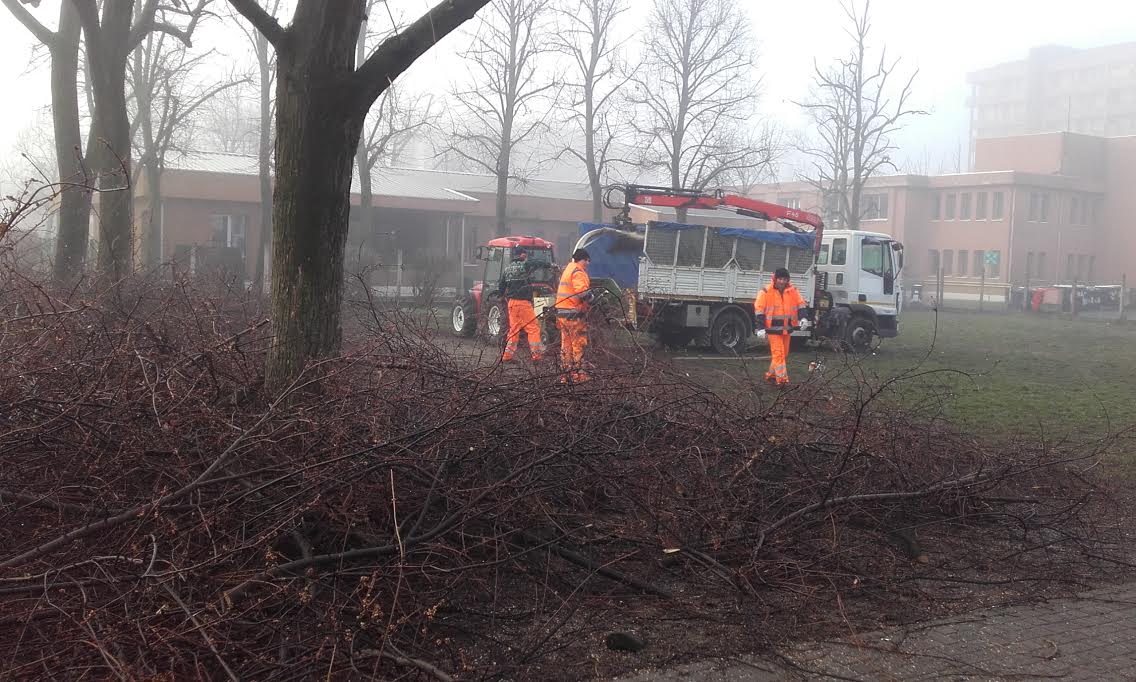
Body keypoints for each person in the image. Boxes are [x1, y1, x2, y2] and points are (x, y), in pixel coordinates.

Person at [754, 267, 809, 386]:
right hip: (772, 330)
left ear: (787, 280)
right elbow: (759, 310)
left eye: (784, 279)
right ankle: (782, 380)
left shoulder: (793, 290)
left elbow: (801, 304)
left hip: (786, 329)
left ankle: (771, 375)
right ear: (775, 279)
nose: (782, 281)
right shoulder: (765, 291)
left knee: (783, 354)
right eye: (780, 279)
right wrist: (761, 328)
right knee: (778, 354)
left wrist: (803, 318)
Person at [497, 247, 545, 362]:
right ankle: (536, 356)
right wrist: (549, 265)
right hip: (523, 303)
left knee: (514, 330)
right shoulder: (524, 265)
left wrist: (501, 296)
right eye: (525, 255)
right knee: (533, 328)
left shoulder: (507, 269)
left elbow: (501, 286)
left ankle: (507, 356)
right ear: (522, 255)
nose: (526, 257)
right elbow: (536, 263)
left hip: (512, 303)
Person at [554, 248, 594, 382]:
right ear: (582, 259)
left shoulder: (568, 269)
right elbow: (582, 292)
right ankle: (578, 375)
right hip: (574, 314)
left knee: (566, 345)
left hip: (562, 314)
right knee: (578, 344)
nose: (588, 263)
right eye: (587, 261)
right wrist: (592, 297)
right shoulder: (578, 271)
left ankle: (565, 375)